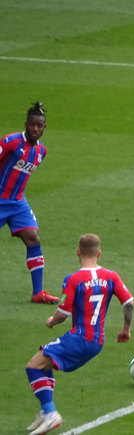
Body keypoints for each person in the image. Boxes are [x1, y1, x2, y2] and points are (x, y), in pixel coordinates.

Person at [25, 234, 134, 435]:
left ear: (78, 252)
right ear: (99, 253)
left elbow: (63, 314)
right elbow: (129, 302)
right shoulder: (112, 276)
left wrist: (51, 321)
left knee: (33, 366)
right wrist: (125, 328)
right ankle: (44, 411)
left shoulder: (73, 279)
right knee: (45, 362)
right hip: (97, 341)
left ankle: (50, 414)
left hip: (80, 338)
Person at [1, 102, 59, 304]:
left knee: (33, 238)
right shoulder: (10, 142)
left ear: (44, 128)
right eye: (32, 124)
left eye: (39, 126)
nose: (35, 129)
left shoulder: (41, 152)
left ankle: (38, 293)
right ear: (26, 124)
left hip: (17, 202)